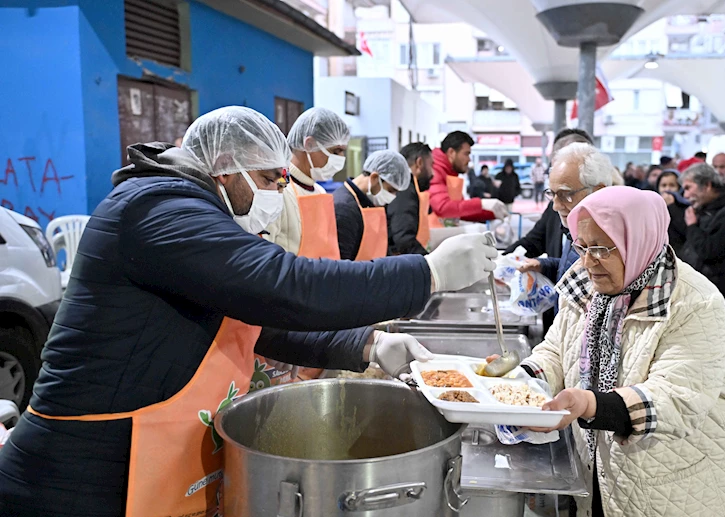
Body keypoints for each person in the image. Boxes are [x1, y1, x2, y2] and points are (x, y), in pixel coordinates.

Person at [0, 106, 500, 517]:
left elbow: (258, 320)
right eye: (269, 179)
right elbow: (283, 286)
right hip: (77, 475)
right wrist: (426, 274)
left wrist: (367, 342)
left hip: (136, 462)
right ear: (224, 166)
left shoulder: (190, 208)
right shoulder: (159, 207)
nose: (278, 195)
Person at [506, 186, 725, 517]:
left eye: (601, 249)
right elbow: (556, 350)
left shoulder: (694, 302)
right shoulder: (585, 282)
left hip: (682, 484)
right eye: (582, 247)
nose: (588, 261)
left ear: (638, 241)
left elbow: (677, 397)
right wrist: (520, 381)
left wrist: (590, 404)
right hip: (606, 471)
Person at [504, 128, 598, 334]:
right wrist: (502, 261)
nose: (557, 204)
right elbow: (538, 245)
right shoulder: (560, 207)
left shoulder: (608, 226)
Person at [518, 143, 613, 313]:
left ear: (598, 191)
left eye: (566, 195)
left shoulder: (611, 244)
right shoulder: (575, 229)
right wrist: (543, 265)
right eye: (552, 194)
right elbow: (574, 271)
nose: (555, 206)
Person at [265, 107, 349, 256]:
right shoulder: (279, 189)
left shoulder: (319, 191)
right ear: (309, 144)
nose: (341, 158)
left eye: (343, 151)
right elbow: (265, 255)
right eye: (335, 151)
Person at [680, 162, 725, 310]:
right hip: (700, 285)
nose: (685, 195)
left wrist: (692, 226)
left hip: (714, 290)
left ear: (707, 185)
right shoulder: (707, 208)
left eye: (688, 188)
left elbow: (711, 250)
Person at [333, 150, 410, 261]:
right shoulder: (344, 208)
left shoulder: (369, 204)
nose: (393, 196)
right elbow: (341, 267)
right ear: (374, 178)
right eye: (391, 190)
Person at [429, 131, 507, 223]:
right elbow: (442, 207)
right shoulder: (434, 171)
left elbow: (459, 210)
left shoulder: (450, 172)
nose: (469, 159)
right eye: (466, 154)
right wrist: (481, 203)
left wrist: (493, 213)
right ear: (451, 152)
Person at [386, 142, 433, 256]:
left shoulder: (407, 187)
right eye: (431, 165)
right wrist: (429, 262)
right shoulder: (404, 190)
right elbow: (404, 239)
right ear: (419, 163)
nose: (433, 173)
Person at [657, 169, 691, 258]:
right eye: (663, 185)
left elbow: (686, 230)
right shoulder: (653, 206)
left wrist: (672, 206)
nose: (667, 189)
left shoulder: (687, 206)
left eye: (672, 185)